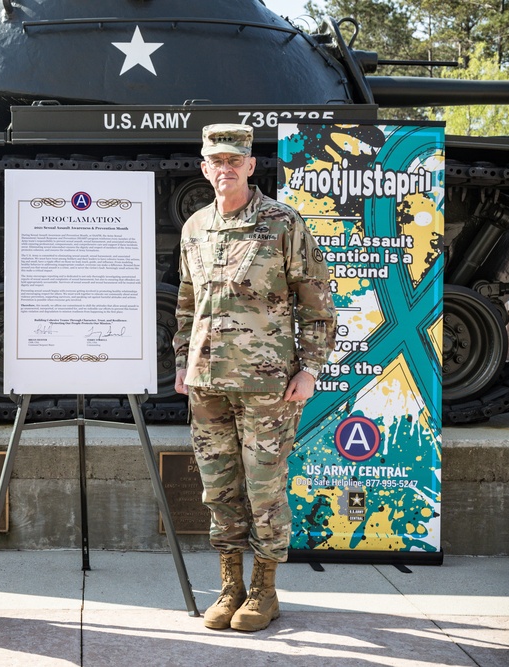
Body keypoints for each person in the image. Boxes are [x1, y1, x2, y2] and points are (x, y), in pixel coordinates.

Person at [173, 124, 336, 632]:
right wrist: (182, 361)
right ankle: (231, 585)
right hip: (206, 383)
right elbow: (185, 304)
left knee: (264, 487)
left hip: (269, 383)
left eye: (233, 160)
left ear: (250, 166)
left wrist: (309, 369)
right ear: (204, 168)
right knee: (218, 488)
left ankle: (265, 589)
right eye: (215, 161)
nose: (225, 169)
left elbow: (317, 304)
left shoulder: (283, 223)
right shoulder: (195, 226)